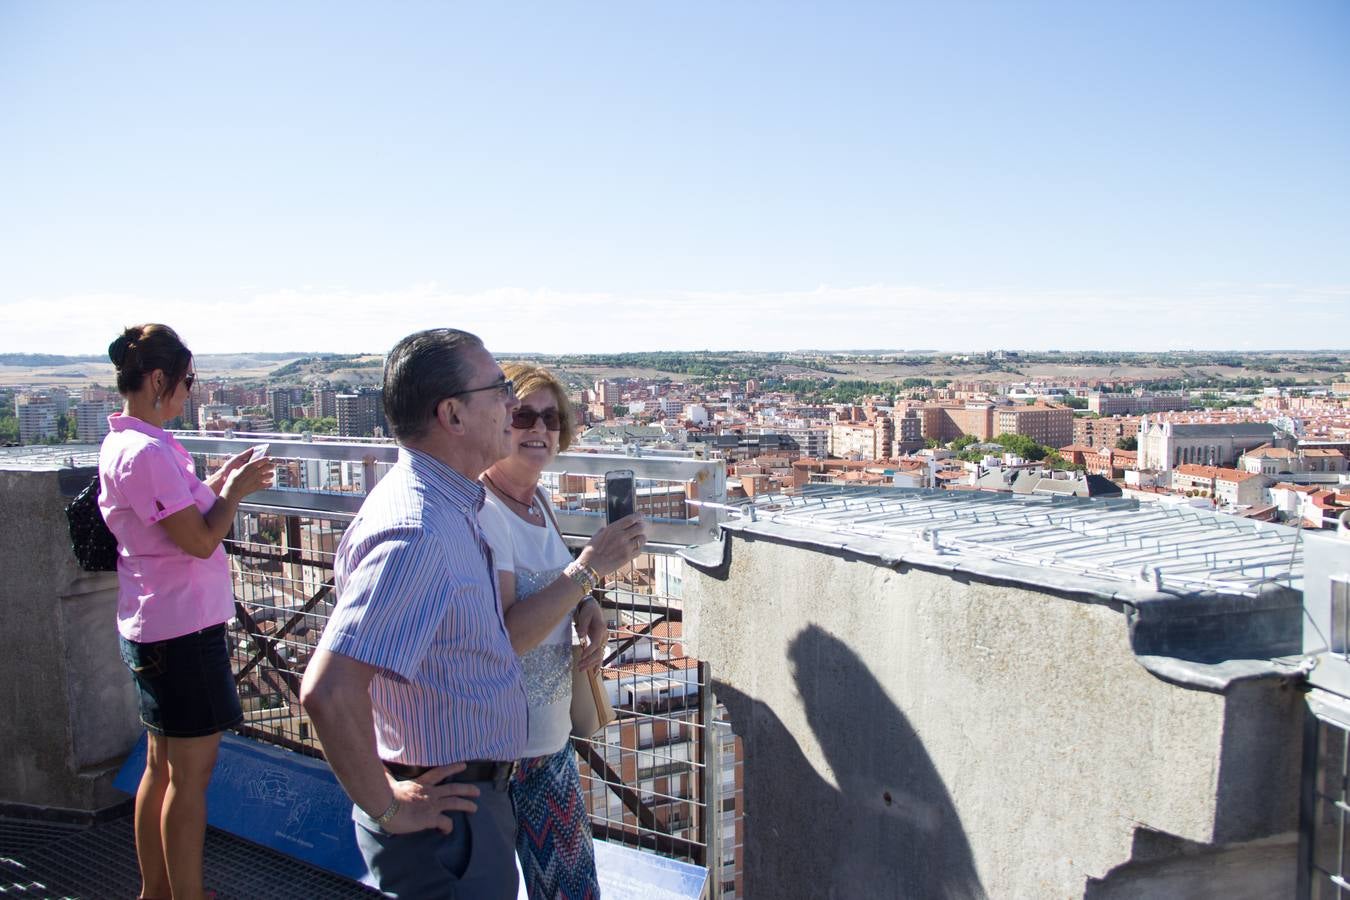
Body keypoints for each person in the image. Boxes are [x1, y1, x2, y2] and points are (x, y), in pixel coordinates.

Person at [300, 328, 530, 900]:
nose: (513, 402)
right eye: (499, 388)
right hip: (446, 827)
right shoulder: (419, 532)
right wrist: (385, 807)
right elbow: (328, 691)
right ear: (452, 413)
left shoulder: (447, 505)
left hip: (457, 811)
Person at [98, 324, 274, 900]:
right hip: (181, 631)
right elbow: (199, 540)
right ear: (157, 380)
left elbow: (176, 516)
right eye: (187, 381)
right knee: (190, 777)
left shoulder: (130, 442)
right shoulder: (146, 451)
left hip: (154, 625)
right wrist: (236, 493)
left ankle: (157, 891)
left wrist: (217, 484)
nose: (191, 392)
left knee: (161, 766)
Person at [478, 363, 647, 899]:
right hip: (509, 753)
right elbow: (505, 638)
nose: (539, 429)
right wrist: (589, 570)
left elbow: (550, 585)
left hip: (547, 740)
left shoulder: (538, 501)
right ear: (496, 421)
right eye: (522, 414)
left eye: (551, 418)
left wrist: (586, 606)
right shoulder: (485, 511)